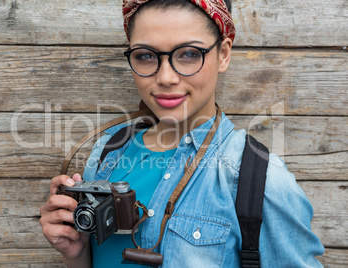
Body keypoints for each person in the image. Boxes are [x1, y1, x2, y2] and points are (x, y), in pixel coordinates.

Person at [40, 0, 325, 267]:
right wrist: (76, 254)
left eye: (189, 54)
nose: (165, 78)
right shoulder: (108, 150)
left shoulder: (260, 178)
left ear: (223, 54)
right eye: (146, 56)